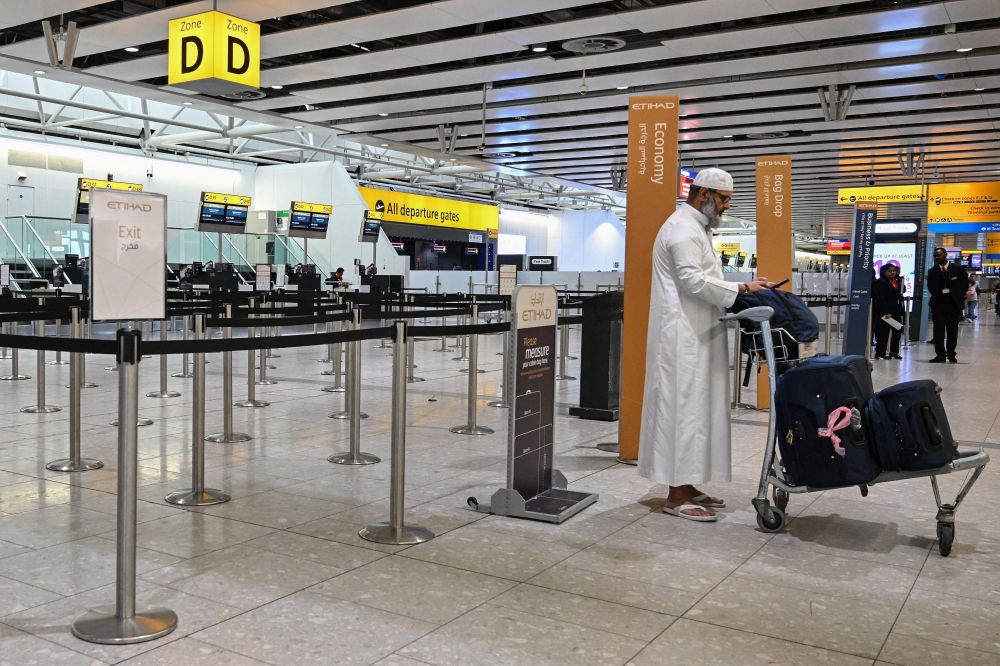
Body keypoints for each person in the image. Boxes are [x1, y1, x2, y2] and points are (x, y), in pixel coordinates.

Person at [637, 167, 772, 522]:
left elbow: (705, 278)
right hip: (681, 338)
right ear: (703, 195)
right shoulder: (683, 228)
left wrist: (744, 285)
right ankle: (675, 496)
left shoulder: (696, 227)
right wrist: (742, 289)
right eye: (724, 199)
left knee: (700, 411)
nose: (727, 206)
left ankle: (690, 483)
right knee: (683, 413)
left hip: (698, 333)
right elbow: (692, 281)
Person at [925, 247, 969, 363]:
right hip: (938, 305)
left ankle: (951, 353)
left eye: (939, 255)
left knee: (952, 331)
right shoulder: (932, 271)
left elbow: (964, 285)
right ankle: (940, 354)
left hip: (953, 305)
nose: (937, 258)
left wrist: (958, 296)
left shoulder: (958, 269)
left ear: (945, 255)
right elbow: (931, 287)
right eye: (935, 256)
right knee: (938, 331)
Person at [872, 263, 905, 360]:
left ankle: (894, 351)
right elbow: (881, 298)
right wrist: (886, 312)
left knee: (898, 330)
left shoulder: (895, 281)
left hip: (895, 310)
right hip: (885, 311)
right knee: (883, 332)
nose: (892, 273)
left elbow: (900, 292)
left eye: (894, 271)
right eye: (889, 271)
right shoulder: (881, 282)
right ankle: (880, 352)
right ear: (884, 272)